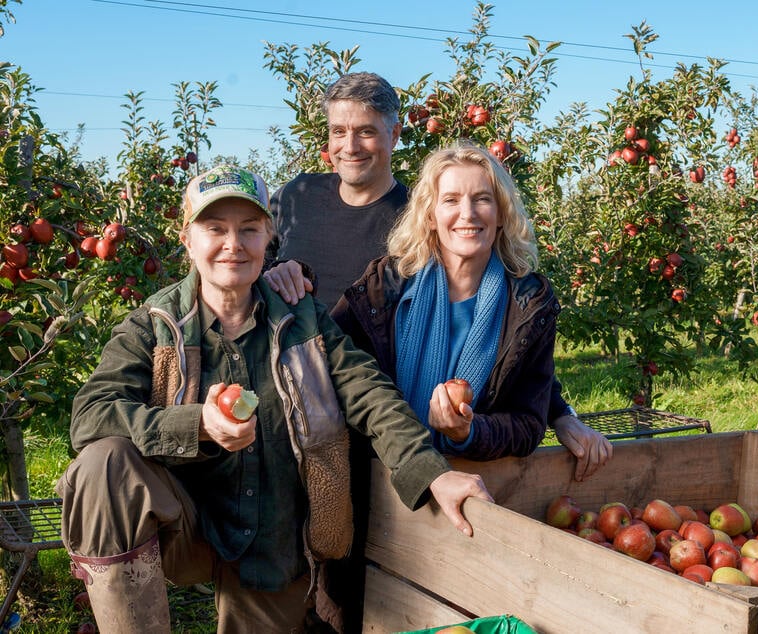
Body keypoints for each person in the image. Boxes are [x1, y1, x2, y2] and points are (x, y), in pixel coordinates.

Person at [55, 165, 492, 633]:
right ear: (188, 239)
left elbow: (370, 394)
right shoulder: (156, 325)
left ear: (269, 236)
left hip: (272, 539)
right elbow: (90, 415)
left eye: (248, 229)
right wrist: (197, 424)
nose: (233, 244)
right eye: (214, 229)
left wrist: (431, 474)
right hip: (181, 524)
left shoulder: (303, 320)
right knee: (104, 462)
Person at [265, 71, 612, 478]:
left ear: (394, 135)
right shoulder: (295, 197)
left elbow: (513, 351)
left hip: (380, 443)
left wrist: (560, 414)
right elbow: (250, 265)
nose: (350, 146)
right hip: (300, 411)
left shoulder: (418, 227)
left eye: (365, 132)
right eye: (338, 131)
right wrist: (272, 272)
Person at [332, 143, 559, 460]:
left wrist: (471, 431)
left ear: (501, 215)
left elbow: (528, 422)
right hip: (382, 479)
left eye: (482, 199)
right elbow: (335, 369)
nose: (467, 213)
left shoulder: (529, 305)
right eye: (451, 200)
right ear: (430, 216)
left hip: (477, 487)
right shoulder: (384, 286)